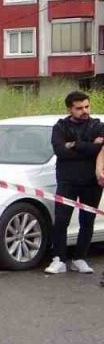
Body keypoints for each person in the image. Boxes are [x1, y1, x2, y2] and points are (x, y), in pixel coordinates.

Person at [47, 91, 103, 275]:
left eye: (87, 106)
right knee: (61, 220)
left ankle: (80, 258)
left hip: (91, 181)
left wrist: (75, 144)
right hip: (67, 180)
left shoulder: (97, 125)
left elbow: (99, 149)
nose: (84, 111)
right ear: (69, 109)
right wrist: (89, 146)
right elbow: (60, 151)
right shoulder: (60, 127)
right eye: (79, 108)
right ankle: (59, 259)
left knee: (87, 220)